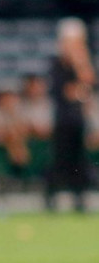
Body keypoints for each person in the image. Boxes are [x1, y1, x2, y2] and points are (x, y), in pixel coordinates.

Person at [46, 17, 95, 212]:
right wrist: (79, 91)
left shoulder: (82, 63)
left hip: (78, 120)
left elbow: (88, 84)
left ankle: (79, 199)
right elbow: (66, 92)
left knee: (79, 161)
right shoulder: (56, 64)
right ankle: (51, 198)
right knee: (60, 160)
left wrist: (80, 61)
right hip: (62, 120)